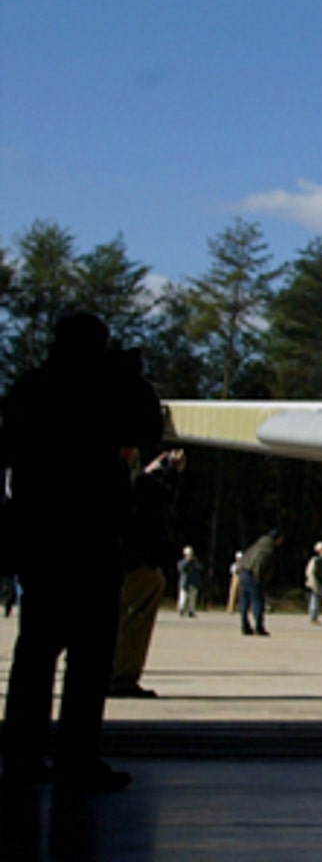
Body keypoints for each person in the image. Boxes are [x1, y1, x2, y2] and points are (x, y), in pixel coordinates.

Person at [0, 312, 162, 792]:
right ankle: (76, 757)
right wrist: (132, 379)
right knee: (89, 661)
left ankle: (22, 757)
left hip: (44, 537)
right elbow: (148, 430)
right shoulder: (107, 387)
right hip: (91, 538)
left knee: (34, 655)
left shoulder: (32, 386)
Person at [110, 448, 183, 699]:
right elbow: (152, 501)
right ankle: (120, 677)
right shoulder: (130, 481)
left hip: (122, 560)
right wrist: (169, 474)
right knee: (134, 619)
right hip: (134, 560)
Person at [236, 528, 283, 637]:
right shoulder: (268, 550)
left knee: (244, 601)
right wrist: (260, 579)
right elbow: (259, 565)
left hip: (244, 572)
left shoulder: (257, 544)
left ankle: (245, 625)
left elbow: (245, 557)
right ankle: (259, 626)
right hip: (253, 575)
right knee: (257, 601)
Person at [177, 546, 202, 617]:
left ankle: (191, 611)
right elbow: (181, 568)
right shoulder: (182, 562)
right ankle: (181, 609)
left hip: (193, 583)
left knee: (192, 598)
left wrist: (193, 562)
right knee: (183, 597)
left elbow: (200, 568)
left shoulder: (195, 563)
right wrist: (188, 561)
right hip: (184, 583)